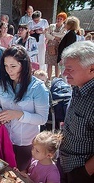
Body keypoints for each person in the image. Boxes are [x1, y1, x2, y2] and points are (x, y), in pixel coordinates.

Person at [0, 45, 49, 171]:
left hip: (26, 143)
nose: (9, 70)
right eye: (6, 66)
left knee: (20, 175)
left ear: (23, 65)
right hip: (5, 139)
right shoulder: (0, 82)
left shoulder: (38, 87)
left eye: (13, 66)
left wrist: (18, 114)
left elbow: (42, 119)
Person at [59, 41, 94, 183]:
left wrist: (84, 173)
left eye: (70, 69)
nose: (64, 73)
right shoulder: (78, 87)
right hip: (67, 166)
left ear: (91, 69)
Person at [45, 12, 67, 80]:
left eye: (61, 19)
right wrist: (55, 37)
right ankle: (49, 79)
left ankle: (56, 79)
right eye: (58, 18)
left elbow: (63, 35)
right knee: (49, 63)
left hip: (59, 47)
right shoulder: (51, 26)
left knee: (57, 64)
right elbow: (46, 34)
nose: (59, 20)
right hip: (50, 46)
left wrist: (53, 34)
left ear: (63, 20)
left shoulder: (65, 27)